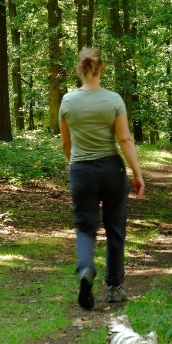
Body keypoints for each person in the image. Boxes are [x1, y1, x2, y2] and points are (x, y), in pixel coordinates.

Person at [59, 48, 145, 310]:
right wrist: (137, 173)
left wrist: (77, 166)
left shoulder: (67, 101)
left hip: (81, 171)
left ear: (79, 69)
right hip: (111, 170)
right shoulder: (114, 100)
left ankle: (86, 267)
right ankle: (115, 287)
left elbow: (66, 143)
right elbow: (124, 140)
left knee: (86, 228)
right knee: (114, 228)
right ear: (102, 68)